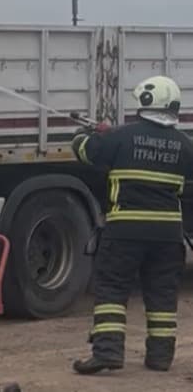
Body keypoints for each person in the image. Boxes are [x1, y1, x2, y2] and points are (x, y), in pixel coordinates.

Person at [71, 75, 193, 375]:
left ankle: (108, 353)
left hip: (125, 230)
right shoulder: (185, 145)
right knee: (163, 296)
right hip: (168, 235)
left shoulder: (120, 136)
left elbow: (83, 150)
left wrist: (88, 132)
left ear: (144, 101)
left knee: (112, 290)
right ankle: (160, 358)